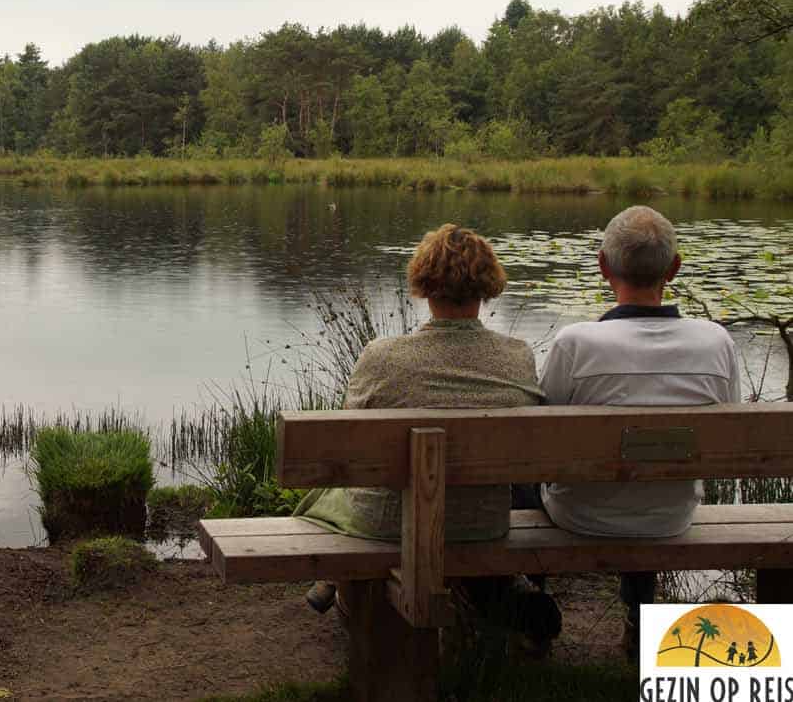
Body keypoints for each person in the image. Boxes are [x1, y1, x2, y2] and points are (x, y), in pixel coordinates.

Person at [295, 224, 557, 646]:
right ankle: (498, 591)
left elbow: (350, 447)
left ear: (423, 284)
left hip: (388, 526)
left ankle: (343, 590)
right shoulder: (517, 356)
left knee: (332, 494)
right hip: (483, 523)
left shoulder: (382, 356)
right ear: (487, 288)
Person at [538, 205, 740, 660]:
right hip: (671, 515)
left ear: (603, 266)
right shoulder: (717, 341)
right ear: (675, 268)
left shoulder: (575, 343)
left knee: (529, 485)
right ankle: (640, 615)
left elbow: (541, 441)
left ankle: (533, 622)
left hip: (580, 516)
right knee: (646, 476)